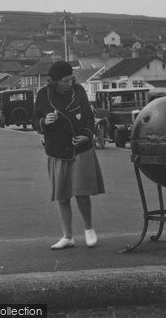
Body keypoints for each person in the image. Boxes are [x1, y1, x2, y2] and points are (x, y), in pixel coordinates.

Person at [33, 61, 105, 250]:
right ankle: (68, 236)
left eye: (72, 79)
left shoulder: (79, 90)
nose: (70, 83)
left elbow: (89, 117)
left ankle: (89, 229)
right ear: (54, 81)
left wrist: (87, 135)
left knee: (81, 192)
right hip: (57, 150)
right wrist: (44, 121)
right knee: (62, 196)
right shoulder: (43, 95)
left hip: (80, 147)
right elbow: (33, 120)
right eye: (66, 81)